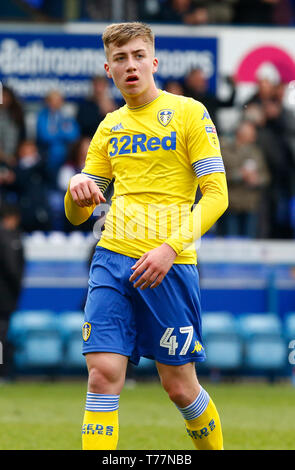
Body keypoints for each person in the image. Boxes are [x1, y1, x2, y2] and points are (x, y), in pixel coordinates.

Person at [64, 22, 228, 451]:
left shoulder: (190, 112)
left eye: (138, 56)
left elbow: (217, 195)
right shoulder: (109, 126)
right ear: (109, 69)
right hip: (112, 257)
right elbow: (78, 214)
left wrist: (170, 249)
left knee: (179, 386)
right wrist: (76, 190)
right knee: (101, 375)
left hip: (169, 264)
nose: (130, 65)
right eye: (121, 59)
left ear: (154, 62)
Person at [0, 202, 25, 381]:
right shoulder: (9, 237)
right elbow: (12, 268)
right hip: (5, 296)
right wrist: (17, 286)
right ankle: (3, 372)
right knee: (2, 335)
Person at [36, 90, 80, 188]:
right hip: (48, 157)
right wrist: (63, 133)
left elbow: (74, 135)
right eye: (53, 100)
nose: (56, 103)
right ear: (47, 101)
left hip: (66, 156)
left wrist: (57, 132)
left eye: (59, 100)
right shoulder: (43, 116)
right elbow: (44, 136)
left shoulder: (66, 116)